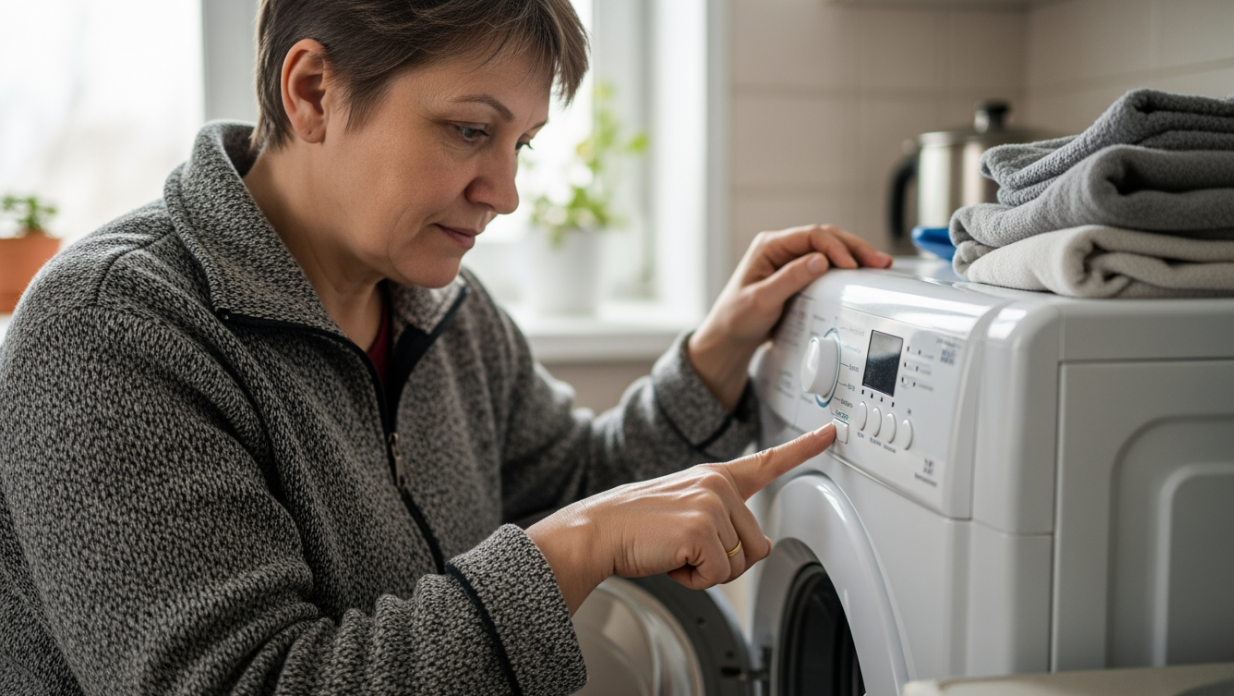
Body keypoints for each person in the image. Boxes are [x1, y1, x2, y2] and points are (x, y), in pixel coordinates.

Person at [0, 0, 892, 693]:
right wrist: (573, 546)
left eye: (521, 144)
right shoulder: (114, 327)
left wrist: (718, 351)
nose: (505, 192)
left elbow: (582, 484)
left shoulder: (443, 306)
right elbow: (252, 681)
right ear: (312, 92)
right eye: (471, 130)